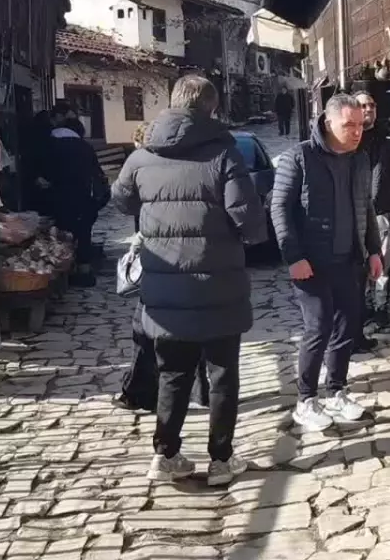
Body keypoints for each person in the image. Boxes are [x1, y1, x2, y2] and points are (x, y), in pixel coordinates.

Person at [113, 74, 266, 485]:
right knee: (222, 374)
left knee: (173, 374)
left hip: (164, 289)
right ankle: (221, 460)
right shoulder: (225, 153)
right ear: (210, 109)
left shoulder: (142, 155)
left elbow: (121, 198)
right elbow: (248, 218)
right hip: (219, 287)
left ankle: (165, 456)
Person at [271, 93, 383, 432]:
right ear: (327, 121)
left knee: (347, 328)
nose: (356, 131)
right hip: (311, 263)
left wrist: (374, 250)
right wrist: (293, 256)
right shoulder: (299, 157)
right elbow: (279, 208)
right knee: (317, 328)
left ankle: (337, 391)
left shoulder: (360, 160)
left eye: (360, 125)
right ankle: (306, 399)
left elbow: (367, 208)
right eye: (348, 125)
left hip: (350, 260)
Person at [114, 120, 211, 414]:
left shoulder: (144, 170)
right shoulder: (195, 165)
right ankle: (201, 391)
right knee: (194, 326)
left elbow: (124, 202)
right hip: (195, 262)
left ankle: (139, 392)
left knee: (144, 329)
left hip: (159, 261)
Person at [355, 91, 390, 344]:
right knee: (360, 264)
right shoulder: (351, 139)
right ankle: (362, 309)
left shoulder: (385, 138)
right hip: (358, 211)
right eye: (363, 105)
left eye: (372, 104)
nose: (369, 108)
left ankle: (381, 308)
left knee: (382, 261)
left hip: (381, 209)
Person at [47, 114, 109, 287]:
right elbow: (96, 174)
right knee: (83, 234)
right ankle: (83, 271)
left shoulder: (50, 145)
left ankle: (61, 271)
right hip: (82, 198)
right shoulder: (85, 147)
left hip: (57, 197)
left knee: (59, 234)